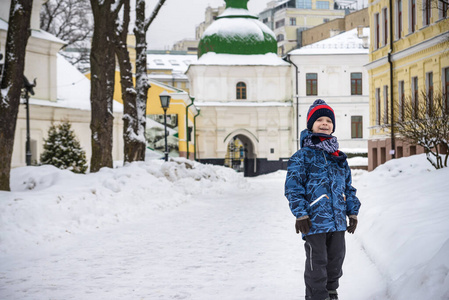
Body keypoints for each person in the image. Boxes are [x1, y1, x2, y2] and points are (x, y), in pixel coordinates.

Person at [284, 99, 361, 300]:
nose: (325, 123)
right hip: (314, 222)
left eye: (328, 120)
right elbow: (293, 187)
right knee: (316, 264)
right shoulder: (302, 156)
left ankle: (331, 293)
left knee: (335, 262)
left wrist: (352, 212)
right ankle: (317, 297)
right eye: (320, 120)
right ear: (311, 124)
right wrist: (300, 214)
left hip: (337, 222)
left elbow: (348, 187)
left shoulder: (339, 157)